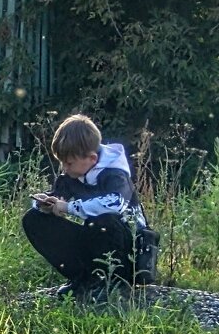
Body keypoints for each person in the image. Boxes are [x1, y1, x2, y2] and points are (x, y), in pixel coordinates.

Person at [22, 113, 150, 302]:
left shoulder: (115, 174)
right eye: (62, 162)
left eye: (69, 162)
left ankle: (115, 281)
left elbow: (115, 204)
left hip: (127, 247)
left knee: (103, 220)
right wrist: (45, 204)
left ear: (91, 158)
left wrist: (69, 207)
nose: (64, 168)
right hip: (95, 238)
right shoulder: (70, 176)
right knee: (34, 219)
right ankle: (84, 278)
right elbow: (58, 196)